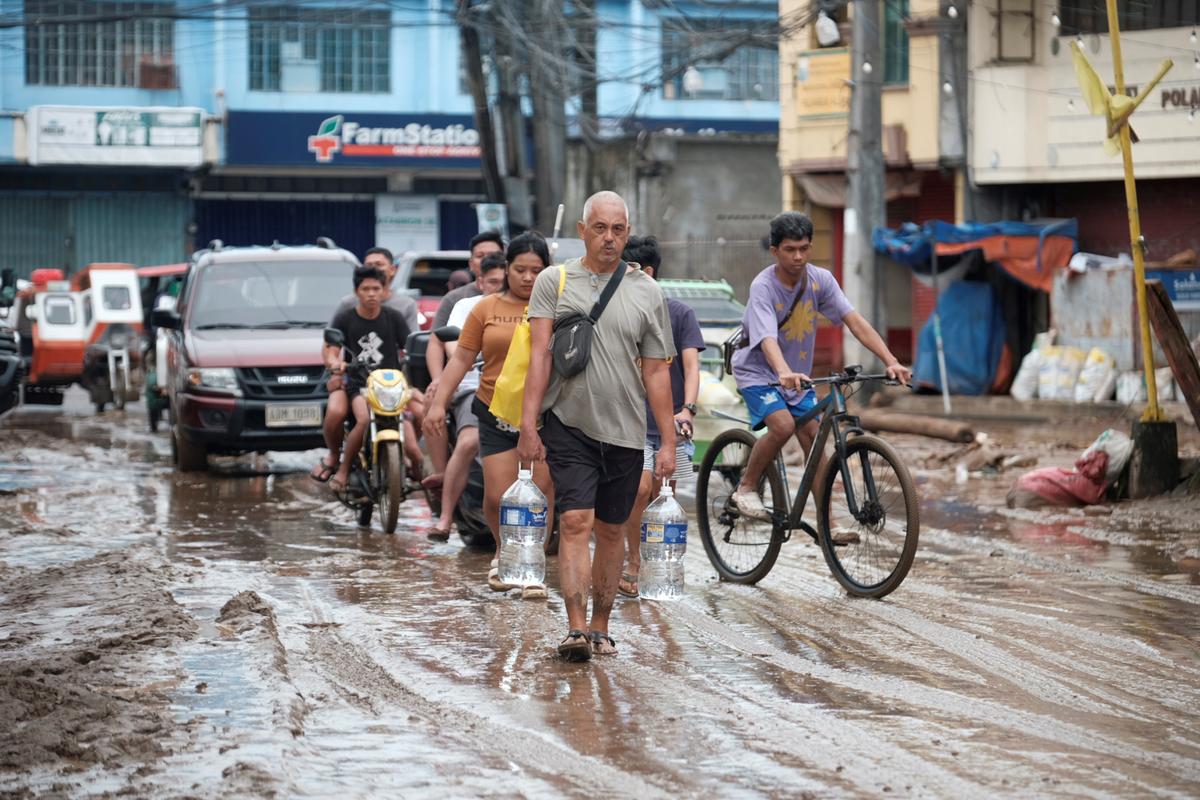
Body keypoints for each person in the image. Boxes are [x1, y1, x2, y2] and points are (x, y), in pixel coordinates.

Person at [519, 191, 677, 662]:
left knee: (611, 532)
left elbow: (656, 371)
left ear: (628, 234)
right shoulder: (554, 281)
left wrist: (668, 442)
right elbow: (540, 356)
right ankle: (573, 627)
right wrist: (528, 424)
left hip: (626, 431)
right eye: (600, 228)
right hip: (568, 423)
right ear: (583, 230)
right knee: (574, 521)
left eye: (618, 230)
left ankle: (600, 628)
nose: (609, 238)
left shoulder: (647, 291)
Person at [729, 212, 911, 524]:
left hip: (797, 377)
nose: (798, 257)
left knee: (814, 441)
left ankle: (828, 525)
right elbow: (767, 339)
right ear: (775, 251)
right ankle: (746, 486)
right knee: (783, 426)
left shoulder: (820, 280)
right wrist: (783, 372)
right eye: (790, 250)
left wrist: (890, 360)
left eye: (804, 248)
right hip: (759, 373)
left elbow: (854, 321)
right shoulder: (763, 286)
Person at [424, 234, 555, 598]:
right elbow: (461, 360)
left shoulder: (558, 308)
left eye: (536, 270)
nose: (528, 278)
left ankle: (533, 568)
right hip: (495, 412)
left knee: (541, 494)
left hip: (545, 416)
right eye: (520, 269)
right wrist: (438, 403)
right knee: (498, 496)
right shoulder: (485, 309)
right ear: (506, 268)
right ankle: (504, 553)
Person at [616, 236, 705, 599]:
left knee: (662, 495)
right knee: (638, 489)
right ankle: (634, 562)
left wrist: (688, 408)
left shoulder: (679, 314)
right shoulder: (618, 312)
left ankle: (657, 565)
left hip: (671, 423)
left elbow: (692, 366)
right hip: (631, 421)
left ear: (646, 273)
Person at [419, 252, 506, 541]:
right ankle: (445, 518)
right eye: (492, 282)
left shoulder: (527, 306)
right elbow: (454, 347)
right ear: (480, 282)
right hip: (473, 385)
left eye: (503, 281)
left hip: (519, 390)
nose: (498, 287)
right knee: (469, 441)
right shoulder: (466, 307)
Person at [324, 246, 424, 478]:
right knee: (361, 419)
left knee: (415, 442)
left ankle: (422, 478)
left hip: (392, 384)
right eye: (365, 289)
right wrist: (335, 366)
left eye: (376, 289)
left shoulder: (396, 315)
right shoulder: (345, 314)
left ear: (384, 288)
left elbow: (409, 347)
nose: (371, 294)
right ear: (356, 292)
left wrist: (414, 381)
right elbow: (331, 348)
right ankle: (342, 468)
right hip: (358, 384)